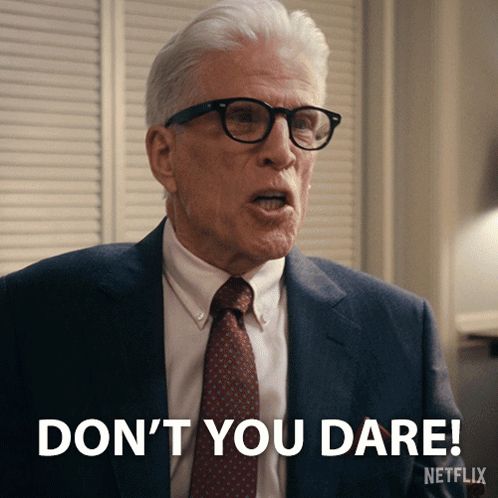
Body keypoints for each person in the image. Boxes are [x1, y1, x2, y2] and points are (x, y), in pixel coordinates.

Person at [0, 1, 465, 497]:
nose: (283, 152)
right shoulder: (30, 317)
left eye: (302, 123)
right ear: (165, 155)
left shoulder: (399, 331)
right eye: (244, 117)